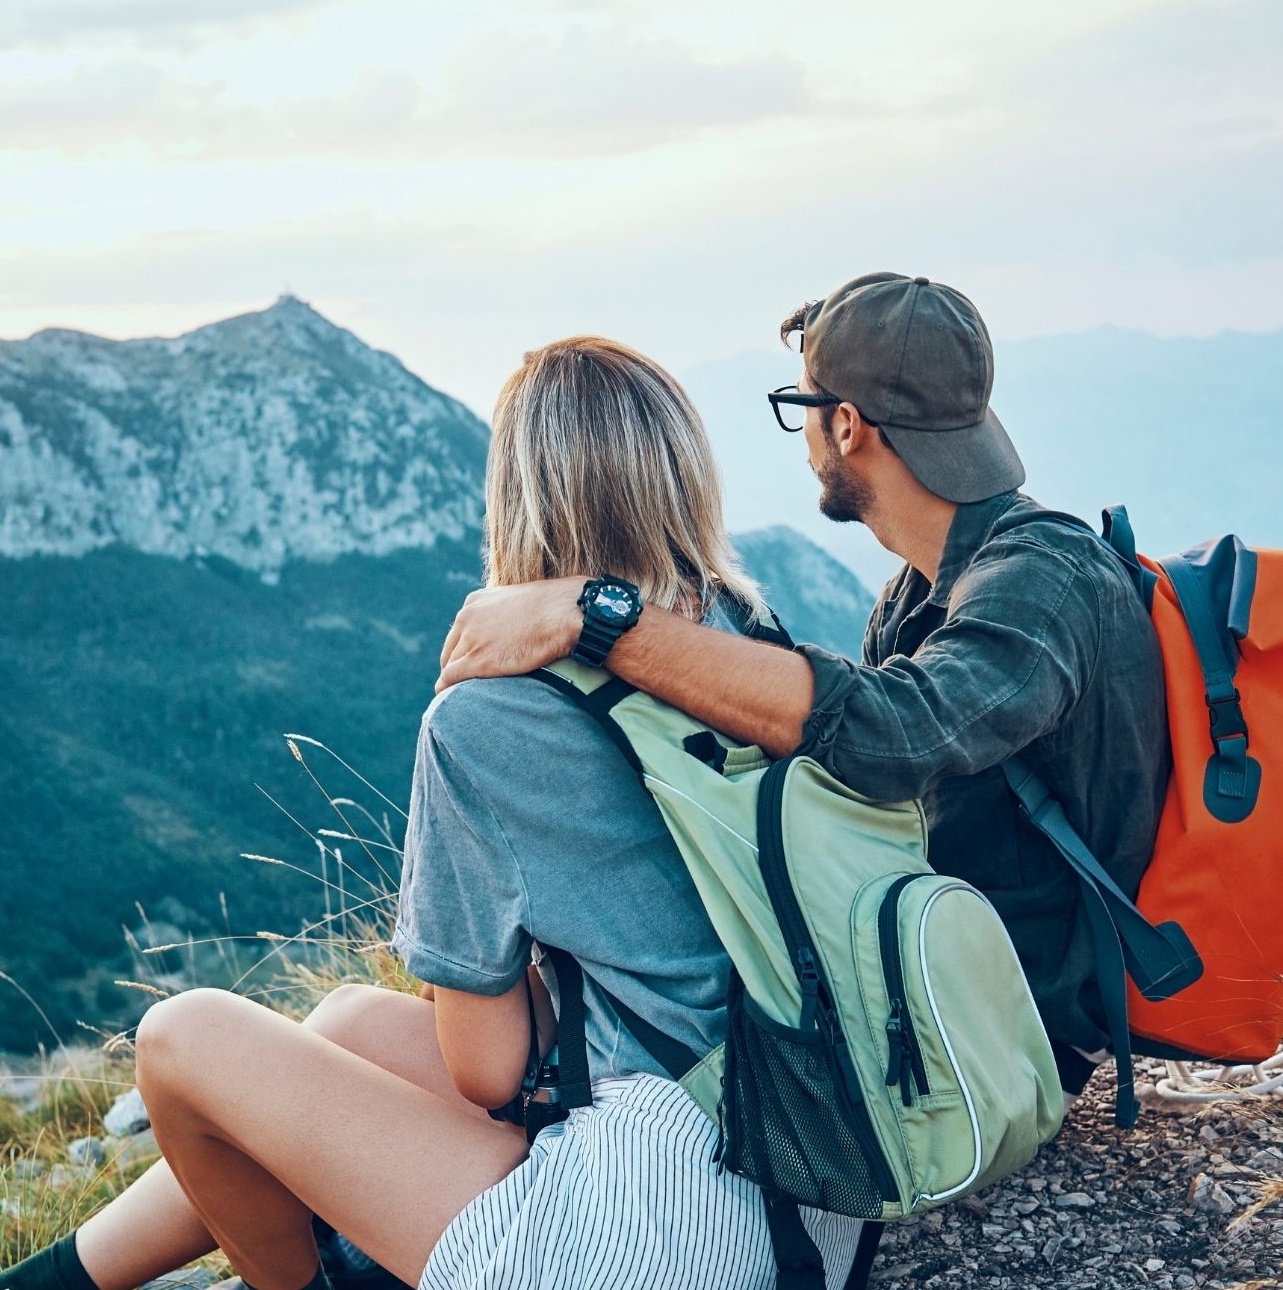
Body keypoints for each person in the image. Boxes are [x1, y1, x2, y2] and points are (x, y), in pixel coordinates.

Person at [0, 337, 867, 1290]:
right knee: (341, 1022)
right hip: (806, 1192)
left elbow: (486, 1072)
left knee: (182, 1038)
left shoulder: (487, 716)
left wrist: (518, 958)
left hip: (665, 1242)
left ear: (519, 493)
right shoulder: (744, 646)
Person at [438, 272, 1169, 1108]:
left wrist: (596, 615)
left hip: (1006, 1027)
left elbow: (898, 738)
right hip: (937, 989)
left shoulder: (1044, 578)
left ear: (846, 426)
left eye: (802, 405)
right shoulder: (924, 591)